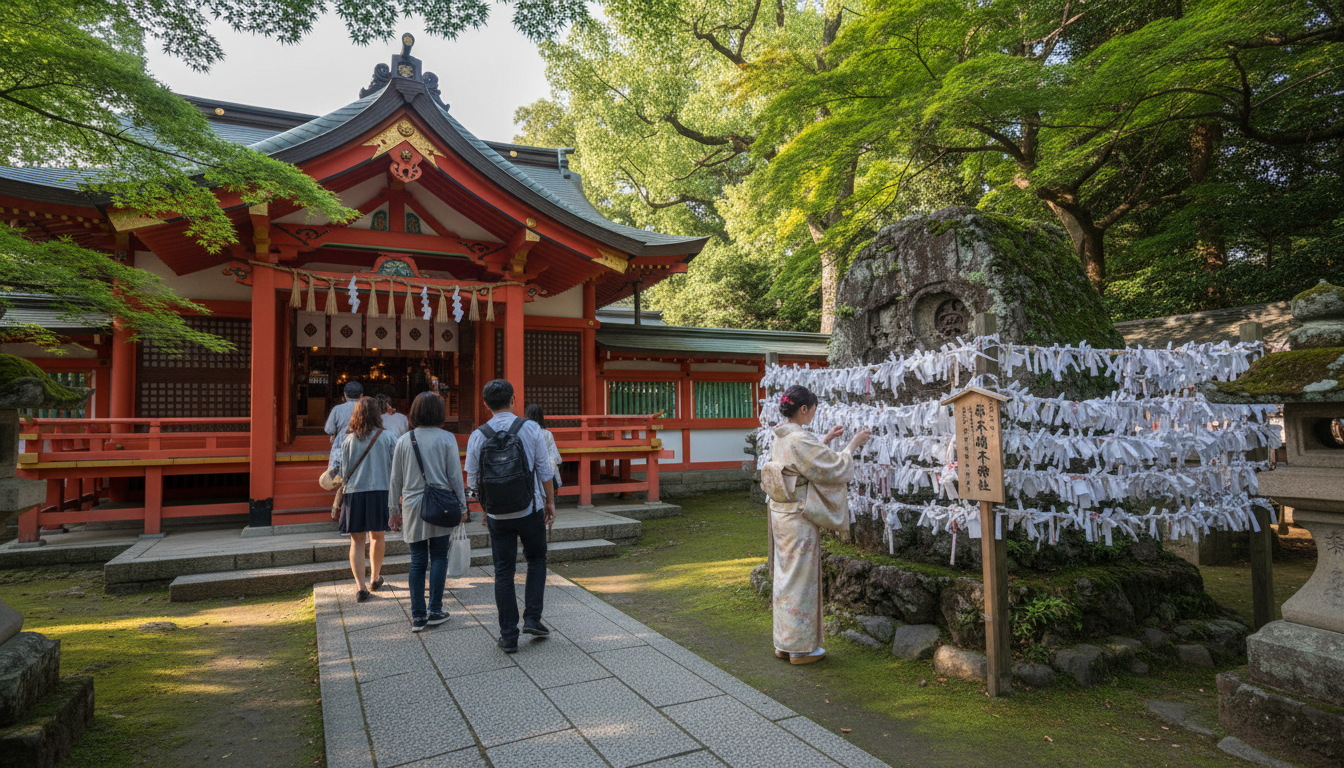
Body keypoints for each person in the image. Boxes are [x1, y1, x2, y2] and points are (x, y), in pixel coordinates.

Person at [762, 384, 869, 665]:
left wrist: (825, 439)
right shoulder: (798, 439)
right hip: (798, 517)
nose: (812, 415)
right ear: (804, 409)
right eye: (812, 410)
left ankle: (784, 643)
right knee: (800, 578)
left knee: (786, 577)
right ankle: (800, 648)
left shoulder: (782, 436)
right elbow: (831, 467)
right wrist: (853, 444)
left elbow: (802, 463)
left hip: (780, 513)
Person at [465, 380, 556, 654]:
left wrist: (486, 508)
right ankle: (533, 619)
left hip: (497, 515)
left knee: (503, 571)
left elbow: (472, 479)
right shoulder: (530, 428)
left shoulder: (478, 435)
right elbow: (545, 469)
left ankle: (508, 635)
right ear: (513, 399)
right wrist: (550, 502)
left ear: (486, 404)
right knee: (536, 560)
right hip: (530, 508)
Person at [388, 392, 466, 633]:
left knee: (418, 560)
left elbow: (395, 480)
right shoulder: (447, 438)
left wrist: (393, 509)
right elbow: (455, 475)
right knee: (439, 556)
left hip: (412, 505)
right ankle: (435, 608)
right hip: (440, 503)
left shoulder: (404, 440)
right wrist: (463, 506)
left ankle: (418, 615)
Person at [329, 397, 397, 603]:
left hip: (354, 493)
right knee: (377, 536)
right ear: (377, 414)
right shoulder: (388, 437)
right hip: (380, 490)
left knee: (356, 541)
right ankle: (375, 577)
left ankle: (360, 587)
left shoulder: (348, 440)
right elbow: (396, 467)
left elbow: (342, 471)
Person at [524, 403, 563, 489]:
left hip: (528, 472)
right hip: (546, 472)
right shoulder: (547, 434)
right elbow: (555, 458)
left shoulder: (524, 434)